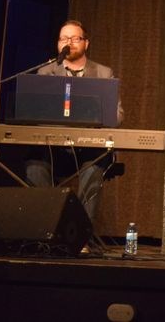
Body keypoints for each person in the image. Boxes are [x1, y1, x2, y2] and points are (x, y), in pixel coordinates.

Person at [25, 20, 124, 223]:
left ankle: (80, 234)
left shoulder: (103, 73)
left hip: (87, 149)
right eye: (63, 38)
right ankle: (47, 230)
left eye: (74, 38)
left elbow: (118, 114)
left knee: (94, 167)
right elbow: (34, 114)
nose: (68, 42)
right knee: (34, 166)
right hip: (52, 148)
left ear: (86, 43)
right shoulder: (45, 72)